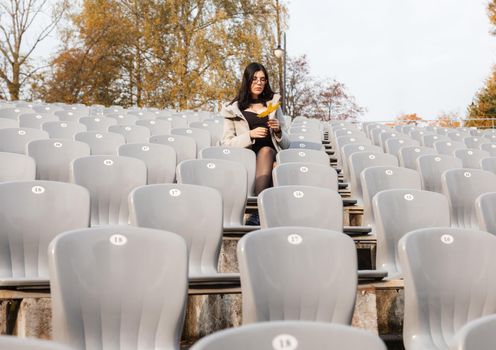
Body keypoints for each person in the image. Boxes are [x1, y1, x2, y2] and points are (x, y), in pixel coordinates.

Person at [221, 62, 289, 225]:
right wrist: (249, 135)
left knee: (266, 151)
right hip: (246, 158)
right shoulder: (233, 109)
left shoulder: (273, 105)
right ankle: (261, 211)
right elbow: (226, 144)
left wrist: (279, 131)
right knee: (264, 153)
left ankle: (258, 212)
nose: (259, 83)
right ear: (247, 81)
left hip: (270, 156)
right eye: (255, 79)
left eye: (263, 79)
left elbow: (287, 145)